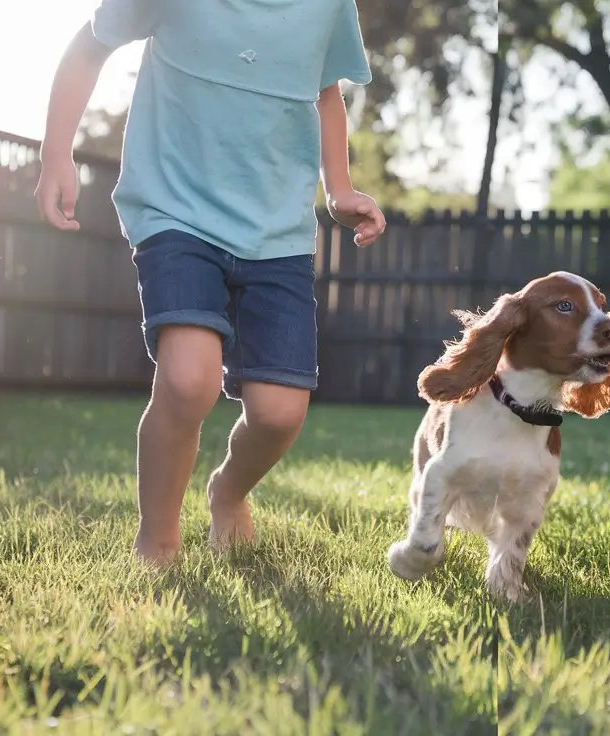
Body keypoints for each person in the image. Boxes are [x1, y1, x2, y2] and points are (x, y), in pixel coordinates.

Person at [34, 0, 386, 567]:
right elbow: (90, 44)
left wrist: (340, 190)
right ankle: (159, 538)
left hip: (278, 233)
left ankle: (227, 492)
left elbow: (325, 93)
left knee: (279, 414)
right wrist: (55, 154)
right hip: (176, 211)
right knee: (187, 380)